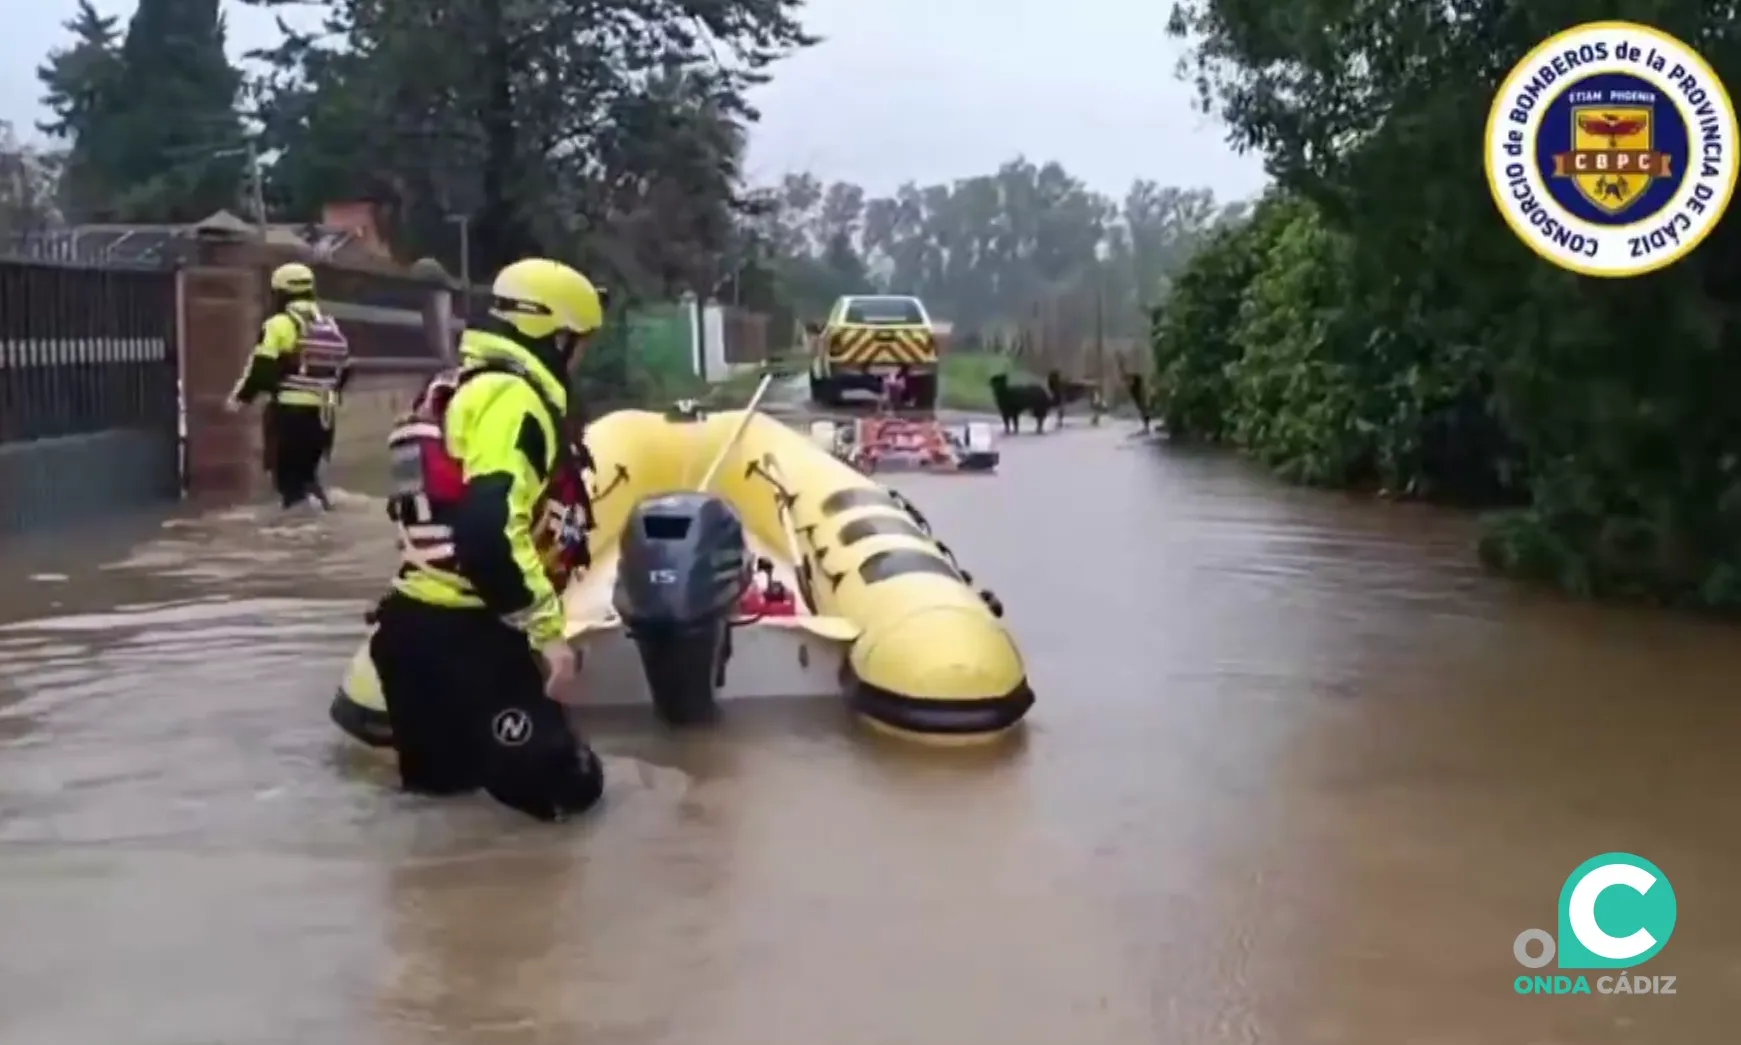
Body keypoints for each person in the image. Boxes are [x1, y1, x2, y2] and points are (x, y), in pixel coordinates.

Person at [368, 257, 606, 822]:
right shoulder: (513, 400)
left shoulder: (454, 388)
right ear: (558, 337)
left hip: (409, 631)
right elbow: (486, 530)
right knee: (570, 796)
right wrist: (548, 634)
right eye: (581, 344)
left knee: (442, 815)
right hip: (469, 639)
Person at [227, 262, 351, 509]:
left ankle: (300, 525)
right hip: (324, 417)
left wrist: (239, 399)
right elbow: (344, 370)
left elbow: (261, 368)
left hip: (290, 415)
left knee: (289, 484)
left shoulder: (278, 324)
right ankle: (322, 517)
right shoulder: (328, 324)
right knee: (308, 477)